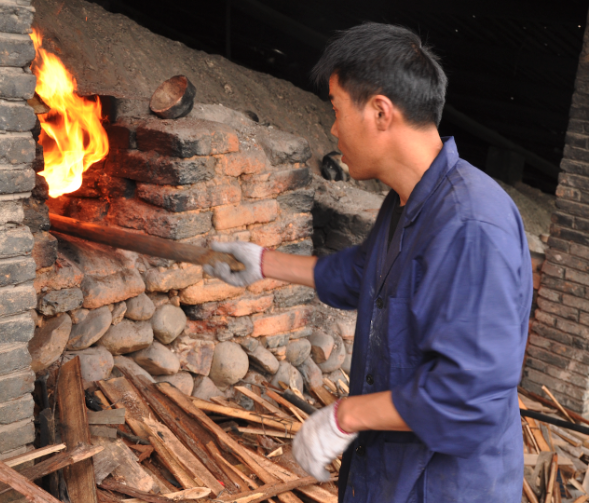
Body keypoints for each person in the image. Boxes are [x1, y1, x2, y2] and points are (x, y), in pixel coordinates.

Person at [204, 23, 533, 503]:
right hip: (386, 475)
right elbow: (364, 273)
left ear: (380, 111)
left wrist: (346, 417)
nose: (332, 128)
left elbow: (467, 395)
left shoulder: (472, 225)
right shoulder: (407, 202)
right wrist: (261, 262)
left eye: (336, 109)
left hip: (441, 486)